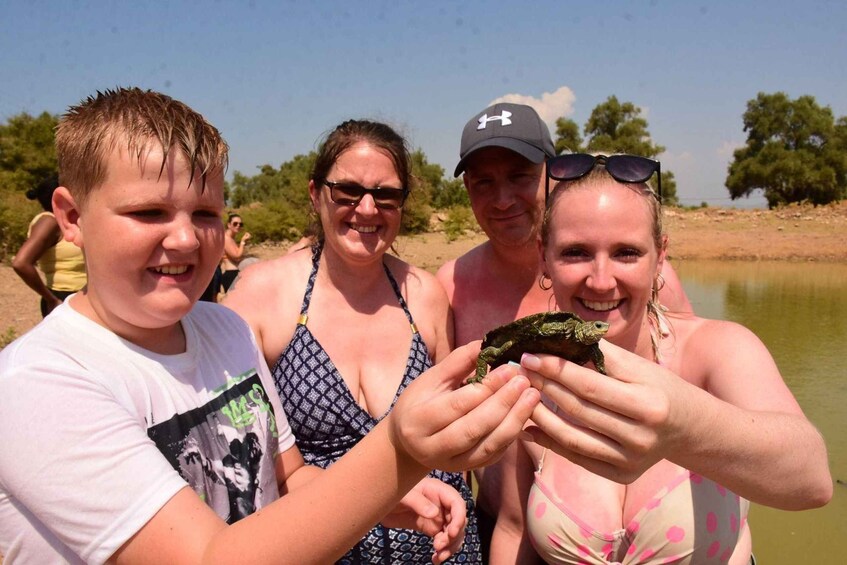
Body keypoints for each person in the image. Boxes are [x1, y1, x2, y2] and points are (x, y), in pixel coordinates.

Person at [0, 88, 542, 564]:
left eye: (206, 214)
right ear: (71, 217)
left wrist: (390, 498)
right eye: (148, 213)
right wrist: (398, 455)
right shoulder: (36, 385)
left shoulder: (221, 332)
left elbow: (287, 476)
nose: (186, 240)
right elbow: (211, 557)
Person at [490, 152, 833, 563]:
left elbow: (811, 480)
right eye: (576, 252)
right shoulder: (529, 375)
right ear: (544, 256)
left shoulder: (716, 350)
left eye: (627, 253)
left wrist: (681, 428)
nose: (601, 280)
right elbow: (513, 529)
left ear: (661, 256)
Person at [435, 103, 693, 556]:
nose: (501, 199)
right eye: (483, 183)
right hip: (506, 522)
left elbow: (689, 384)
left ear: (553, 177)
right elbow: (444, 408)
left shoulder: (636, 281)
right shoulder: (451, 284)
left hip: (631, 527)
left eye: (518, 176)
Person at [224, 119, 485, 563]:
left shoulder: (424, 296)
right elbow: (238, 454)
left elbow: (459, 426)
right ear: (315, 193)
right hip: (322, 548)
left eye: (386, 195)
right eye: (347, 191)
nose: (367, 209)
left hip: (442, 546)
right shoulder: (262, 294)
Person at [12, 173, 86, 316]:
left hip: (78, 296)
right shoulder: (50, 222)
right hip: (64, 297)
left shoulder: (68, 223)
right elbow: (21, 263)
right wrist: (51, 299)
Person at [220, 213, 251, 292]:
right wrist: (242, 242)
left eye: (240, 224)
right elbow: (237, 256)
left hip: (235, 273)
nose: (238, 226)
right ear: (229, 225)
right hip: (230, 274)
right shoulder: (226, 238)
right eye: (235, 223)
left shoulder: (231, 239)